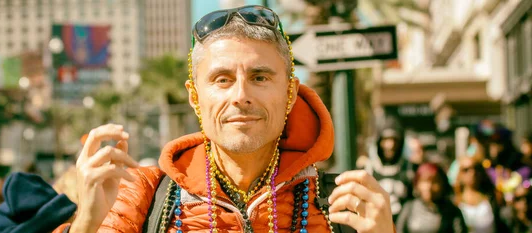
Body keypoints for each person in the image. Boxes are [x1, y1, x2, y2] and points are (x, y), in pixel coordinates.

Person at [59, 5, 394, 233]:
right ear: (195, 97)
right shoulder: (141, 195)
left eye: (260, 77)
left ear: (290, 93)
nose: (240, 95)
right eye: (222, 79)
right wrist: (86, 221)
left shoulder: (344, 204)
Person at [363, 118, 413, 221]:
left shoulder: (409, 168)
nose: (390, 145)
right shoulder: (368, 168)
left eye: (394, 140)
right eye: (386, 140)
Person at [395, 163, 467, 233]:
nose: (429, 187)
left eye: (434, 181)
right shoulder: (409, 207)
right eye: (424, 181)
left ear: (443, 184)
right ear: (417, 183)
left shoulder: (452, 212)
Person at [454, 156, 508, 233]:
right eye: (466, 170)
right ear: (459, 174)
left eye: (476, 168)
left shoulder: (494, 198)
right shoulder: (455, 202)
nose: (472, 173)